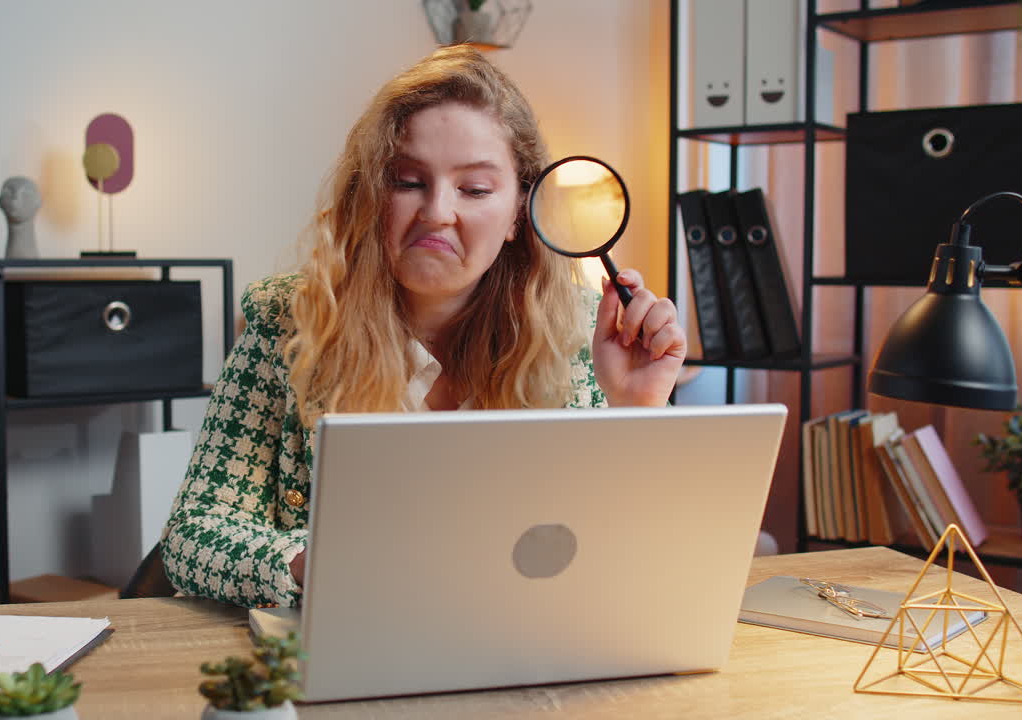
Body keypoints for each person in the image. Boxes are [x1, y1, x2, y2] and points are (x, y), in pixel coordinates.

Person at [160, 45, 686, 608]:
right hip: (344, 647)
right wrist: (311, 563)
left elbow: (632, 554)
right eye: (408, 181)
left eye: (475, 189)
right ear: (371, 195)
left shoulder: (581, 334)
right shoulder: (290, 321)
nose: (437, 211)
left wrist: (635, 409)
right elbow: (194, 534)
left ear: (518, 213)